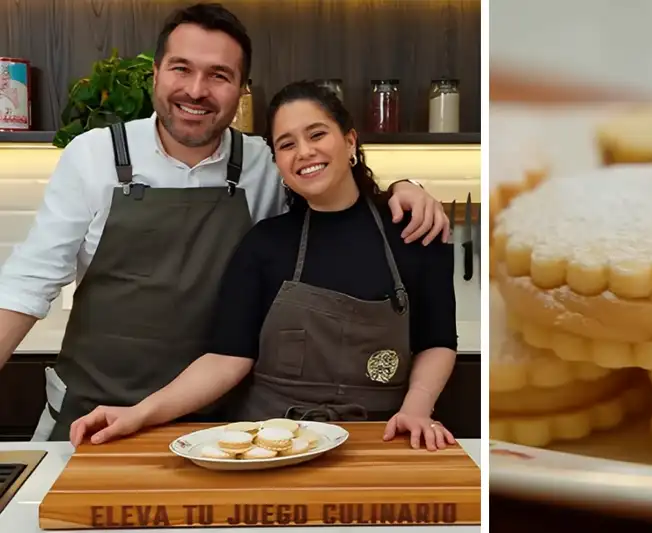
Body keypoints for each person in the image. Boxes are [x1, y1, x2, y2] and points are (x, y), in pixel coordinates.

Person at [0, 3, 449, 443]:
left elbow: (332, 187)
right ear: (156, 73)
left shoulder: (262, 162)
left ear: (240, 91)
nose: (196, 90)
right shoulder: (93, 155)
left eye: (219, 75)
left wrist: (403, 189)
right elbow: (28, 281)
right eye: (181, 68)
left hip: (215, 425)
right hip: (91, 415)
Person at [69, 80, 460, 451]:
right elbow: (227, 359)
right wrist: (139, 413)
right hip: (271, 441)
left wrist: (416, 409)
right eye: (287, 144)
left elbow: (438, 341)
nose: (304, 151)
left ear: (350, 140)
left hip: (383, 436)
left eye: (317, 134)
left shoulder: (415, 231)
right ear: (278, 164)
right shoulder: (264, 243)